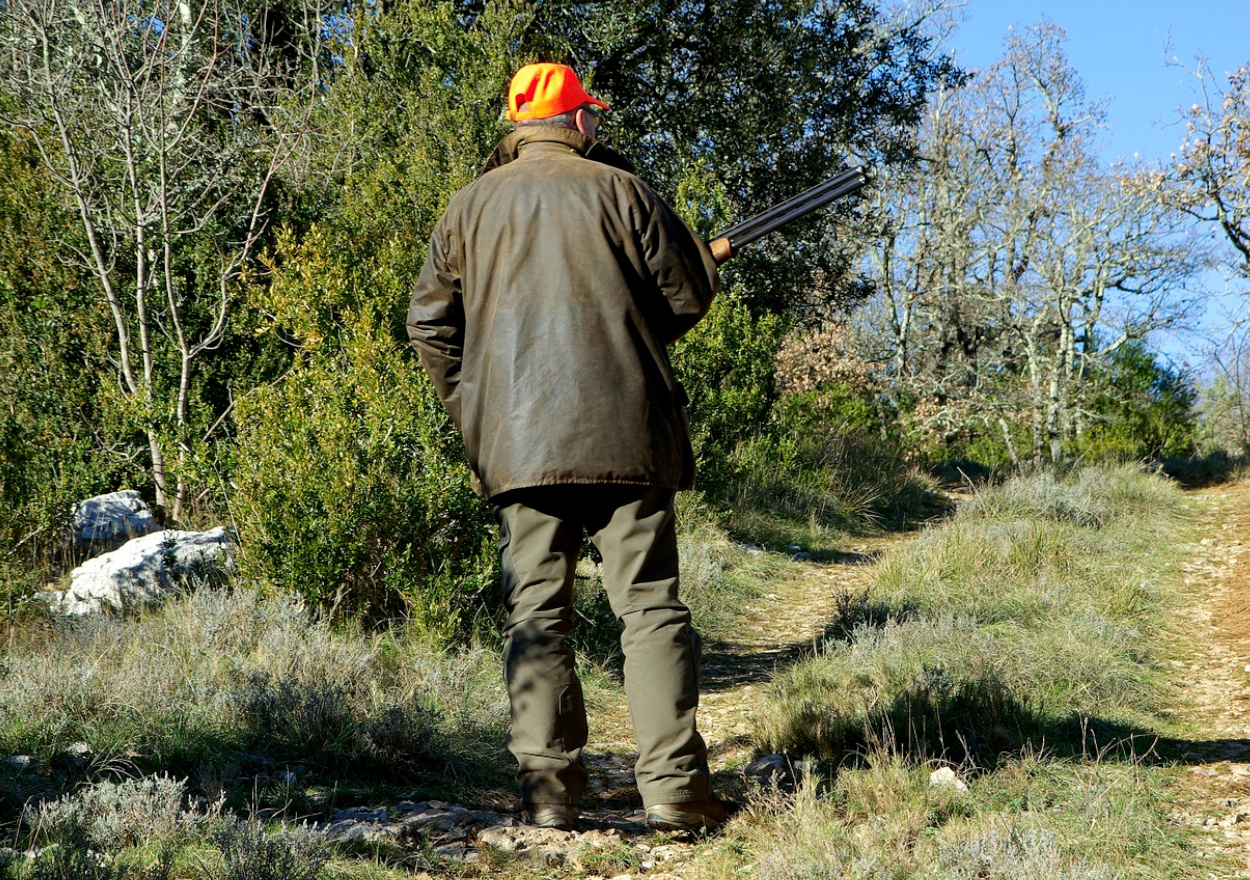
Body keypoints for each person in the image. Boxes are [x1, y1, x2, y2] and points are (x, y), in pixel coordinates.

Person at [407, 62, 731, 833]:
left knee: (537, 614)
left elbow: (428, 327)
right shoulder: (623, 191)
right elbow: (684, 297)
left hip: (517, 447)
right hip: (630, 437)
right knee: (649, 611)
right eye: (592, 115)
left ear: (519, 127)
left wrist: (478, 414)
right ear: (577, 120)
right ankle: (675, 795)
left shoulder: (467, 207)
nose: (596, 125)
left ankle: (549, 795)